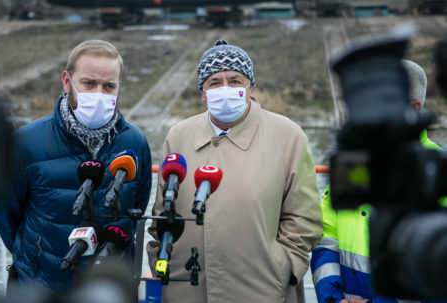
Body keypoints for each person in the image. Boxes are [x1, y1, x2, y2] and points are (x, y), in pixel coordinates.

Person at [147, 40, 323, 303]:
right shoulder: (179, 136)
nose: (225, 88)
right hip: (188, 291)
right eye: (215, 82)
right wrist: (165, 265)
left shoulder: (288, 136)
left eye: (235, 80)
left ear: (251, 87)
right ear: (203, 93)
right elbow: (163, 215)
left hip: (264, 291)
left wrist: (283, 268)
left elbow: (304, 218)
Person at [0, 40, 152, 293]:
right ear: (66, 81)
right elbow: (5, 211)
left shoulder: (135, 142)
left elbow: (137, 207)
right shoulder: (26, 142)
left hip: (111, 288)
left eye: (109, 86)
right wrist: (36, 259)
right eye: (89, 83)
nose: (99, 93)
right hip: (40, 288)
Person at [311, 59, 442, 303]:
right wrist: (332, 298)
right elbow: (327, 238)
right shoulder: (352, 166)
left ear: (414, 108)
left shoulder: (436, 171)